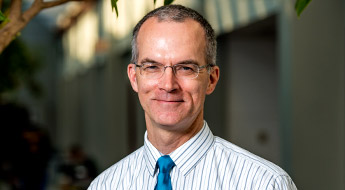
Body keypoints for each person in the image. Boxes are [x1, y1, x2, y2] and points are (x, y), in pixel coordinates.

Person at [88, 4, 297, 190]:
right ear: (134, 77)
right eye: (152, 67)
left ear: (212, 79)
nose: (168, 85)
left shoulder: (264, 184)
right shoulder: (105, 185)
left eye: (186, 68)